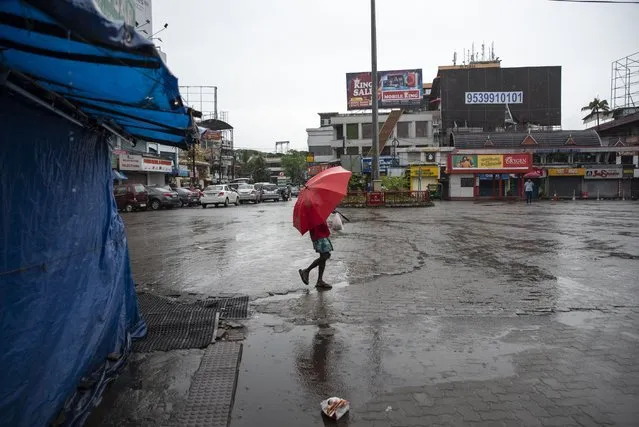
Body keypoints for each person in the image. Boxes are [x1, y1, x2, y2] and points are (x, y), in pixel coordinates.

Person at [299, 220, 333, 290]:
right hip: (319, 235)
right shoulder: (312, 210)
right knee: (325, 255)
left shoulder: (316, 211)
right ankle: (306, 271)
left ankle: (319, 281)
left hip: (321, 234)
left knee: (323, 257)